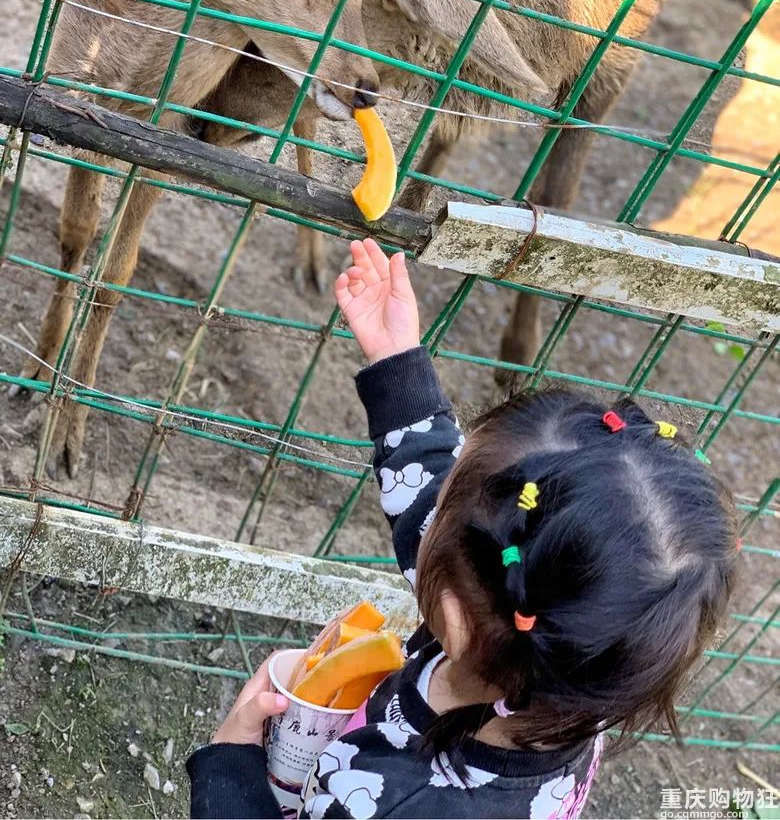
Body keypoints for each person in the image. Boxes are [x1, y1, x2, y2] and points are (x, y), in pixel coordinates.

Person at [188, 238, 739, 819]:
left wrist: (230, 763)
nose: (435, 495)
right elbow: (445, 521)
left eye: (448, 496)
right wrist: (395, 358)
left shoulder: (401, 801)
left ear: (454, 612)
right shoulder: (574, 669)